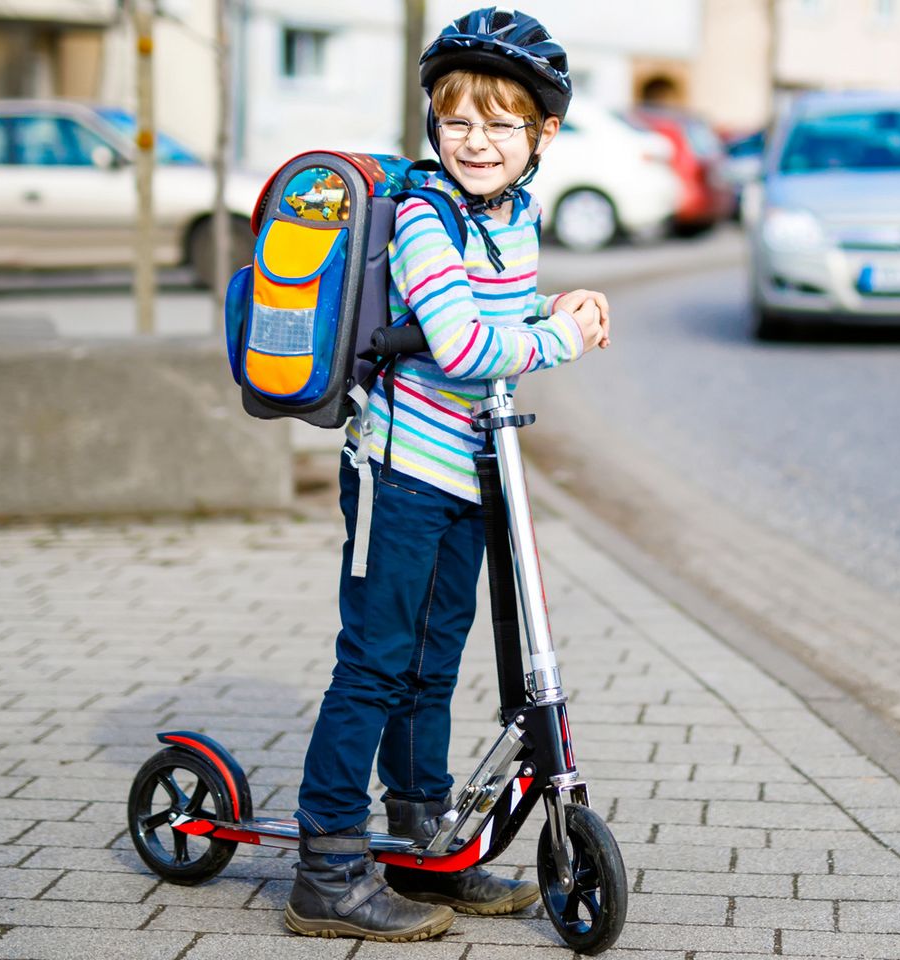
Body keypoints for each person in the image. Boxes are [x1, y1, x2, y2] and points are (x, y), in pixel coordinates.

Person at [283, 7, 610, 943]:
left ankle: (421, 841)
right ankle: (327, 867)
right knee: (376, 665)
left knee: (433, 665)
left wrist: (556, 302)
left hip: (469, 473)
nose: (477, 140)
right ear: (433, 118)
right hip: (400, 470)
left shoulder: (515, 211)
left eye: (502, 124)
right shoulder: (427, 212)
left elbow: (490, 304)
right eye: (458, 118)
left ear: (543, 134)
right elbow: (465, 343)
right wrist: (564, 338)